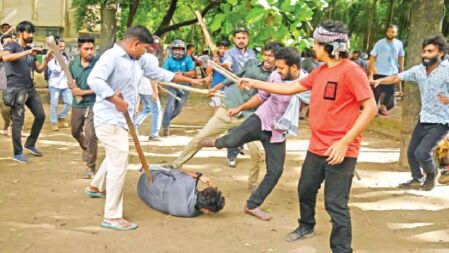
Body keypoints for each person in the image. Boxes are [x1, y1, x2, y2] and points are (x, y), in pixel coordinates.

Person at [238, 20, 377, 253]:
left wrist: (344, 142)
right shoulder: (319, 71)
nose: (314, 47)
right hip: (317, 147)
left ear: (329, 47)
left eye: (317, 44)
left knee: (335, 204)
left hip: (341, 150)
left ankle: (342, 249)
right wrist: (253, 82)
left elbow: (370, 108)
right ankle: (306, 226)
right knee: (305, 189)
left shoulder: (352, 71)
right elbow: (289, 88)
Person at [84, 25, 203, 230]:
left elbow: (160, 74)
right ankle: (111, 216)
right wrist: (114, 99)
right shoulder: (111, 57)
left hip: (123, 120)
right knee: (119, 161)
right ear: (135, 43)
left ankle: (95, 185)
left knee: (115, 155)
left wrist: (192, 80)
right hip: (108, 119)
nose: (146, 52)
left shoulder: (137, 60)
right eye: (145, 48)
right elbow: (93, 80)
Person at [200, 47, 308, 221]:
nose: (278, 72)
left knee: (275, 171)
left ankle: (252, 205)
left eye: (281, 68)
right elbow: (262, 97)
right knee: (232, 140)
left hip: (278, 132)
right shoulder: (275, 76)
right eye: (277, 68)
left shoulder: (307, 83)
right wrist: (240, 108)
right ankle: (215, 142)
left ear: (294, 68)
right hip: (261, 119)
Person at [173, 42, 281, 192]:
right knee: (200, 138)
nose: (268, 59)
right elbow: (235, 76)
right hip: (228, 108)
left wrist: (255, 87)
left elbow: (269, 97)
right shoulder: (251, 63)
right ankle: (175, 166)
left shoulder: (276, 77)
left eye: (272, 57)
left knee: (257, 152)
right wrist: (217, 87)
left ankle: (253, 183)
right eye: (267, 55)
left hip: (250, 117)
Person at [371, 35, 449, 191]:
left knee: (422, 152)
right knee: (412, 151)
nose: (425, 55)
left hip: (442, 121)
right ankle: (416, 178)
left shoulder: (447, 69)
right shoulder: (418, 70)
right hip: (424, 118)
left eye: (430, 51)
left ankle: (432, 174)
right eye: (424, 52)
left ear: (441, 53)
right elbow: (396, 77)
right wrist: (378, 81)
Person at [2, 21, 52, 163]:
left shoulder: (31, 50)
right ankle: (17, 153)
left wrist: (47, 59)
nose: (31, 35)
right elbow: (5, 57)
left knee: (41, 116)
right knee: (18, 121)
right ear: (20, 33)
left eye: (32, 32)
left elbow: (39, 69)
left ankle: (30, 143)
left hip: (30, 88)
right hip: (16, 88)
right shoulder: (12, 46)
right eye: (28, 32)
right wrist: (26, 52)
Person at [222, 27, 257, 167]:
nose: (241, 41)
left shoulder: (252, 53)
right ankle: (231, 155)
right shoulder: (229, 53)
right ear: (234, 39)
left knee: (246, 122)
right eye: (238, 38)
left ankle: (239, 145)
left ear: (247, 39)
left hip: (248, 94)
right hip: (234, 94)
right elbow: (227, 63)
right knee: (233, 125)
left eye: (244, 38)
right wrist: (225, 65)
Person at [137, 165, 225, 217]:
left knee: (172, 168)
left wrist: (199, 176)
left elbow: (180, 168)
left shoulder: (188, 182)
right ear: (205, 210)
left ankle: (145, 168)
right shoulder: (190, 213)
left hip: (147, 177)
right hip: (142, 192)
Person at [69, 35, 98, 179]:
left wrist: (84, 92)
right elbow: (71, 80)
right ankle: (87, 148)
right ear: (79, 49)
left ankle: (90, 166)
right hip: (78, 103)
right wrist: (72, 86)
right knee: (75, 131)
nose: (90, 52)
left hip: (94, 103)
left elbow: (103, 87)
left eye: (92, 48)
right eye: (86, 49)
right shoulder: (73, 64)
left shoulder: (99, 64)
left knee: (91, 134)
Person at [161, 39, 196, 137]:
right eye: (175, 49)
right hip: (173, 85)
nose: (178, 51)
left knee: (178, 109)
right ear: (172, 50)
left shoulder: (188, 59)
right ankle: (165, 126)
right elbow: (163, 73)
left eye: (180, 49)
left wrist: (183, 74)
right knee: (169, 105)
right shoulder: (169, 60)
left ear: (183, 50)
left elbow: (193, 73)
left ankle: (166, 120)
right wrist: (173, 75)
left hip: (185, 86)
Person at [369, 25, 405, 116]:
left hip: (392, 72)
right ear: (386, 32)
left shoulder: (399, 43)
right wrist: (372, 69)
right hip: (379, 71)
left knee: (390, 91)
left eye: (393, 31)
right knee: (376, 92)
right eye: (389, 31)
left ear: (396, 33)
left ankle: (383, 107)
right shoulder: (379, 43)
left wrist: (401, 68)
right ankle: (374, 109)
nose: (391, 33)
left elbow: (401, 56)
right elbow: (372, 56)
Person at [134, 36, 163, 141]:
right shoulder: (152, 59)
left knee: (148, 108)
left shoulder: (140, 56)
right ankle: (154, 134)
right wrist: (155, 92)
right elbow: (153, 77)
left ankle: (134, 125)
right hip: (148, 88)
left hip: (140, 87)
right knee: (157, 111)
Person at [47, 37, 72, 131]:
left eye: (63, 46)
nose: (62, 48)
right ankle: (54, 122)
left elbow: (67, 69)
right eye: (60, 46)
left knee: (70, 102)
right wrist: (62, 63)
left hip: (65, 83)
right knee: (54, 104)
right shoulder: (50, 57)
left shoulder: (65, 56)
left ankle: (62, 116)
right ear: (55, 45)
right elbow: (56, 70)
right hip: (55, 84)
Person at [206, 40, 229, 113]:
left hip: (228, 88)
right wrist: (213, 63)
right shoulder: (213, 58)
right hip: (216, 87)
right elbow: (208, 72)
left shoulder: (231, 58)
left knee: (227, 110)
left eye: (225, 48)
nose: (222, 50)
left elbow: (227, 66)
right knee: (217, 109)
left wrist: (218, 64)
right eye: (221, 48)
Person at [0, 34, 13, 136]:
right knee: (5, 109)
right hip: (3, 86)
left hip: (16, 85)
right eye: (6, 43)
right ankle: (7, 123)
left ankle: (15, 127)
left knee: (18, 107)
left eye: (10, 42)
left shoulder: (18, 54)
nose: (8, 45)